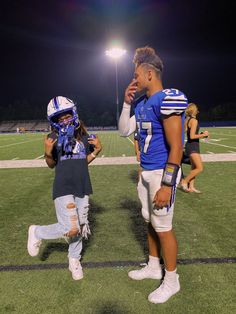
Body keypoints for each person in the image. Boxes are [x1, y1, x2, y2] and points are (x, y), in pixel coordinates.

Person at [119, 46, 188, 304]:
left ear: (149, 74)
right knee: (149, 221)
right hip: (147, 171)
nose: (134, 80)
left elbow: (177, 147)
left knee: (164, 228)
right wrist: (126, 103)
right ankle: (153, 266)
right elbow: (124, 131)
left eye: (137, 75)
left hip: (162, 172)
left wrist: (167, 185)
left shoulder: (167, 98)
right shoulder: (142, 104)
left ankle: (172, 280)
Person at [27, 96, 102, 280]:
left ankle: (74, 259)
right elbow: (51, 164)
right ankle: (36, 232)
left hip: (82, 185)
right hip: (63, 186)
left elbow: (82, 163)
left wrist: (96, 152)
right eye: (59, 119)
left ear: (73, 114)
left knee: (80, 225)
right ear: (54, 121)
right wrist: (47, 151)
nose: (64, 121)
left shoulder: (83, 136)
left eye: (66, 116)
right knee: (70, 226)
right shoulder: (53, 137)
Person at [180, 103, 209, 193]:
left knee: (194, 167)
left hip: (191, 146)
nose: (197, 110)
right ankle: (185, 181)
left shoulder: (188, 120)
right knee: (200, 168)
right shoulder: (194, 121)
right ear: (194, 110)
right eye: (196, 109)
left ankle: (191, 187)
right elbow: (192, 136)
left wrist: (200, 135)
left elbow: (189, 135)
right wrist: (204, 135)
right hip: (193, 147)